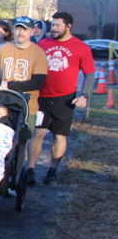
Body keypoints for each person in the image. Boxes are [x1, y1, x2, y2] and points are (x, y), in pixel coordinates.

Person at [29, 11, 96, 184]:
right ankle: (30, 169)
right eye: (53, 25)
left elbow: (89, 74)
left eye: (58, 25)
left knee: (59, 135)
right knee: (37, 133)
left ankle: (52, 170)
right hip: (41, 97)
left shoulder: (81, 47)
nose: (54, 28)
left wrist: (84, 96)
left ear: (68, 26)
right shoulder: (43, 44)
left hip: (65, 99)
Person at [0, 15, 47, 178]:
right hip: (3, 103)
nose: (20, 33)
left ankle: (13, 177)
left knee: (20, 142)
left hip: (27, 106)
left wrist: (9, 85)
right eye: (18, 29)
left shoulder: (38, 53)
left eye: (24, 29)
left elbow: (38, 82)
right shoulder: (4, 49)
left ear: (32, 31)